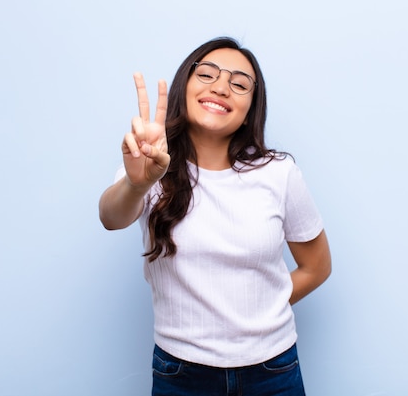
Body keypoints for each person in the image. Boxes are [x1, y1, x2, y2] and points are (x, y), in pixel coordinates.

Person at [98, 36, 332, 396]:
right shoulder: (151, 164)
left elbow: (317, 267)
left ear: (251, 108)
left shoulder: (279, 172)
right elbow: (110, 218)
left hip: (273, 369)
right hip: (181, 372)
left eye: (239, 84)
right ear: (185, 87)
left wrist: (254, 313)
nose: (221, 87)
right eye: (207, 74)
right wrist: (136, 183)